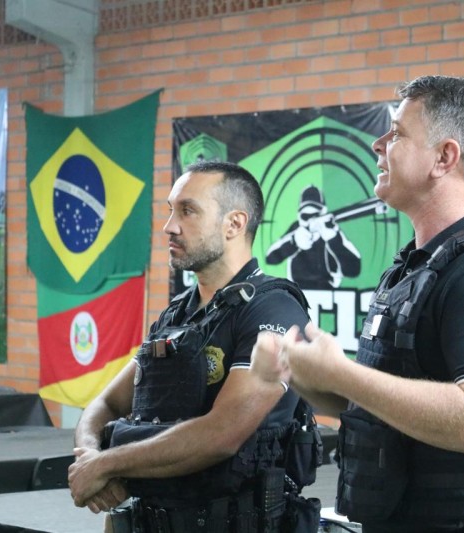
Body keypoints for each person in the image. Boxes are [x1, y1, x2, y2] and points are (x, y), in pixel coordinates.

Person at [250, 76, 464, 532]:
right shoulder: (415, 269)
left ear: (444, 157)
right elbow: (370, 402)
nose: (378, 144)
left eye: (396, 134)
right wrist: (295, 369)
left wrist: (342, 373)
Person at [69, 161, 321, 532]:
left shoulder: (273, 309)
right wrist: (89, 455)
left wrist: (106, 465)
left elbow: (223, 433)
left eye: (187, 211)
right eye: (170, 210)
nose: (170, 226)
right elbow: (105, 403)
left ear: (234, 224)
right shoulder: (178, 314)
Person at [265, 185, 361, 289]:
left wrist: (334, 240)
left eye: (315, 215)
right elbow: (270, 257)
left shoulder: (331, 230)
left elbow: (353, 270)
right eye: (306, 216)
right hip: (298, 292)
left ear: (323, 213)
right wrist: (293, 242)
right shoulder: (296, 228)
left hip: (329, 293)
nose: (311, 221)